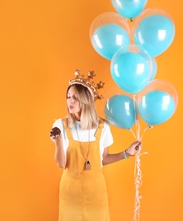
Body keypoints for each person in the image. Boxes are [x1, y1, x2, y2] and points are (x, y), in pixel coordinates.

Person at [50, 70, 141, 221]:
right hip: (70, 192)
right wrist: (58, 141)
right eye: (68, 97)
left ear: (85, 100)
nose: (69, 101)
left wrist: (127, 153)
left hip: (96, 193)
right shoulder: (61, 125)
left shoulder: (102, 126)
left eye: (75, 97)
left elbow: (103, 159)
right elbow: (61, 163)